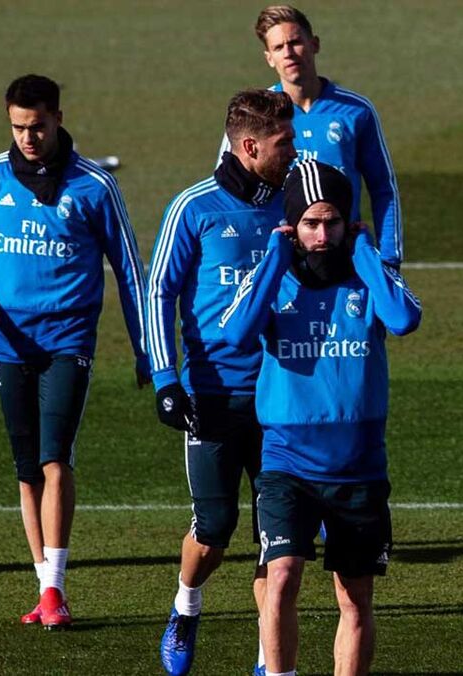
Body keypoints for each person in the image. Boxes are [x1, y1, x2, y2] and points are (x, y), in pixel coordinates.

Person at [0, 73, 150, 629]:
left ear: (58, 119)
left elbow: (129, 270)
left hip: (69, 340)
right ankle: (43, 587)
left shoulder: (95, 186)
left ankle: (57, 589)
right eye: (18, 127)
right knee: (26, 471)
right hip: (11, 344)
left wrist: (147, 350)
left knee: (54, 459)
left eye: (37, 126)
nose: (28, 138)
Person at [220, 160, 421, 676]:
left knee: (353, 598)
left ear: (348, 222)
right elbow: (236, 334)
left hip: (359, 466)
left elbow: (403, 319)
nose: (322, 235)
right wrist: (273, 258)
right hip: (287, 462)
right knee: (282, 576)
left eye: (332, 222)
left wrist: (367, 252)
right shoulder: (272, 279)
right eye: (310, 223)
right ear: (292, 225)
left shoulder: (369, 278)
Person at [147, 89, 296, 676]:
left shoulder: (295, 203)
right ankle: (186, 606)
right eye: (284, 142)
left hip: (282, 398)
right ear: (250, 146)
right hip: (210, 397)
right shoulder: (194, 207)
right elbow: (158, 292)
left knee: (278, 542)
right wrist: (165, 377)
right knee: (213, 531)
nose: (294, 150)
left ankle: (267, 659)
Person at [217, 4, 403, 266]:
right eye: (278, 47)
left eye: (295, 42)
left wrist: (390, 258)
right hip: (279, 258)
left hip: (341, 253)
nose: (288, 53)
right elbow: (228, 189)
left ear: (314, 44)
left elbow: (383, 187)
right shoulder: (254, 114)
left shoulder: (357, 111)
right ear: (269, 58)